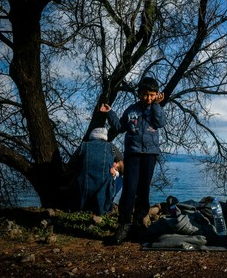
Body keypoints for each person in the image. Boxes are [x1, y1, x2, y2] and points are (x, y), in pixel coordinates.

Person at [100, 76, 166, 245]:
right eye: (145, 94)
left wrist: (157, 105)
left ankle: (139, 225)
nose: (149, 98)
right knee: (129, 190)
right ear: (139, 94)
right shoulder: (131, 110)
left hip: (150, 155)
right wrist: (110, 113)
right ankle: (124, 225)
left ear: (157, 95)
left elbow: (160, 123)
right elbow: (120, 127)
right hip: (133, 154)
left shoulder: (155, 109)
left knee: (143, 190)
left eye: (152, 95)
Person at [63, 127, 124, 216]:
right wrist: (116, 173)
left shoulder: (83, 146)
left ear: (92, 136)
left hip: (83, 190)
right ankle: (105, 204)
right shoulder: (112, 148)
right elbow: (123, 165)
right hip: (102, 192)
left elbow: (70, 164)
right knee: (120, 179)